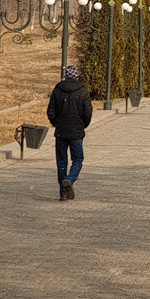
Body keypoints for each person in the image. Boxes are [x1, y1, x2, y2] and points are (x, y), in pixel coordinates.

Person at [46, 64, 93, 201]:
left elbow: (50, 111)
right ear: (77, 76)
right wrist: (82, 125)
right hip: (76, 132)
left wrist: (56, 124)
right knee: (78, 159)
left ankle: (63, 193)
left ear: (66, 76)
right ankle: (70, 179)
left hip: (61, 132)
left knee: (61, 163)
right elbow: (88, 112)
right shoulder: (82, 91)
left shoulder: (57, 89)